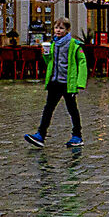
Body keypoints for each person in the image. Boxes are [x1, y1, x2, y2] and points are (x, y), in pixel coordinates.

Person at [26, 16, 88, 147]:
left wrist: (80, 83)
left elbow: (82, 63)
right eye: (56, 27)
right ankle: (40, 135)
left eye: (61, 28)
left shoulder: (74, 45)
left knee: (72, 109)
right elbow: (50, 63)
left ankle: (77, 135)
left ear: (67, 30)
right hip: (54, 81)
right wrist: (46, 54)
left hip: (67, 83)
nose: (58, 30)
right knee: (48, 109)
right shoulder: (53, 44)